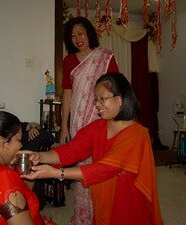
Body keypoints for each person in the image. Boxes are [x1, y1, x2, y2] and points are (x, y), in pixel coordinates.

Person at [22, 73, 163, 225]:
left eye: (102, 99)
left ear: (120, 99)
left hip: (129, 202)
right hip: (103, 199)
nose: (97, 104)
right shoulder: (98, 127)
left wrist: (56, 173)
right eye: (96, 99)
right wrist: (38, 156)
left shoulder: (137, 134)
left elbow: (105, 168)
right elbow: (71, 150)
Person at [60, 16, 119, 225]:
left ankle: (103, 214)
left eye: (81, 33)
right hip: (77, 121)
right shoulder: (69, 61)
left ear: (89, 33)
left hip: (100, 120)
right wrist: (64, 125)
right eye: (73, 35)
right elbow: (67, 93)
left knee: (100, 166)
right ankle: (84, 216)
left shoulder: (105, 58)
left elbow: (115, 91)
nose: (77, 38)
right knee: (82, 168)